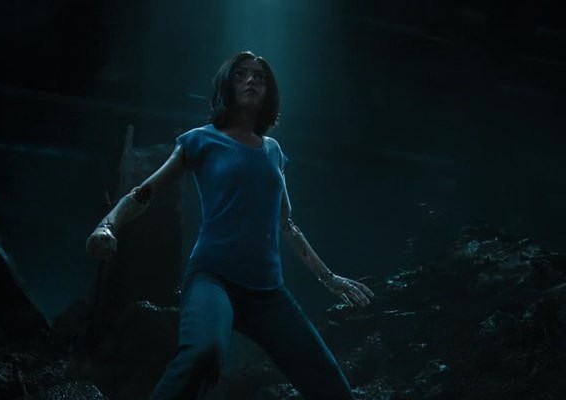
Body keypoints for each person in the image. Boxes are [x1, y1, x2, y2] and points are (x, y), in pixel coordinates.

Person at [86, 51, 374, 400]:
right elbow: (142, 193)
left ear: (268, 92)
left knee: (329, 382)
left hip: (268, 292)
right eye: (241, 75)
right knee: (203, 354)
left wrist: (329, 278)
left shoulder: (273, 151)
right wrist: (107, 226)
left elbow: (286, 224)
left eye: (260, 76)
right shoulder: (200, 140)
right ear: (227, 85)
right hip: (213, 279)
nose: (251, 80)